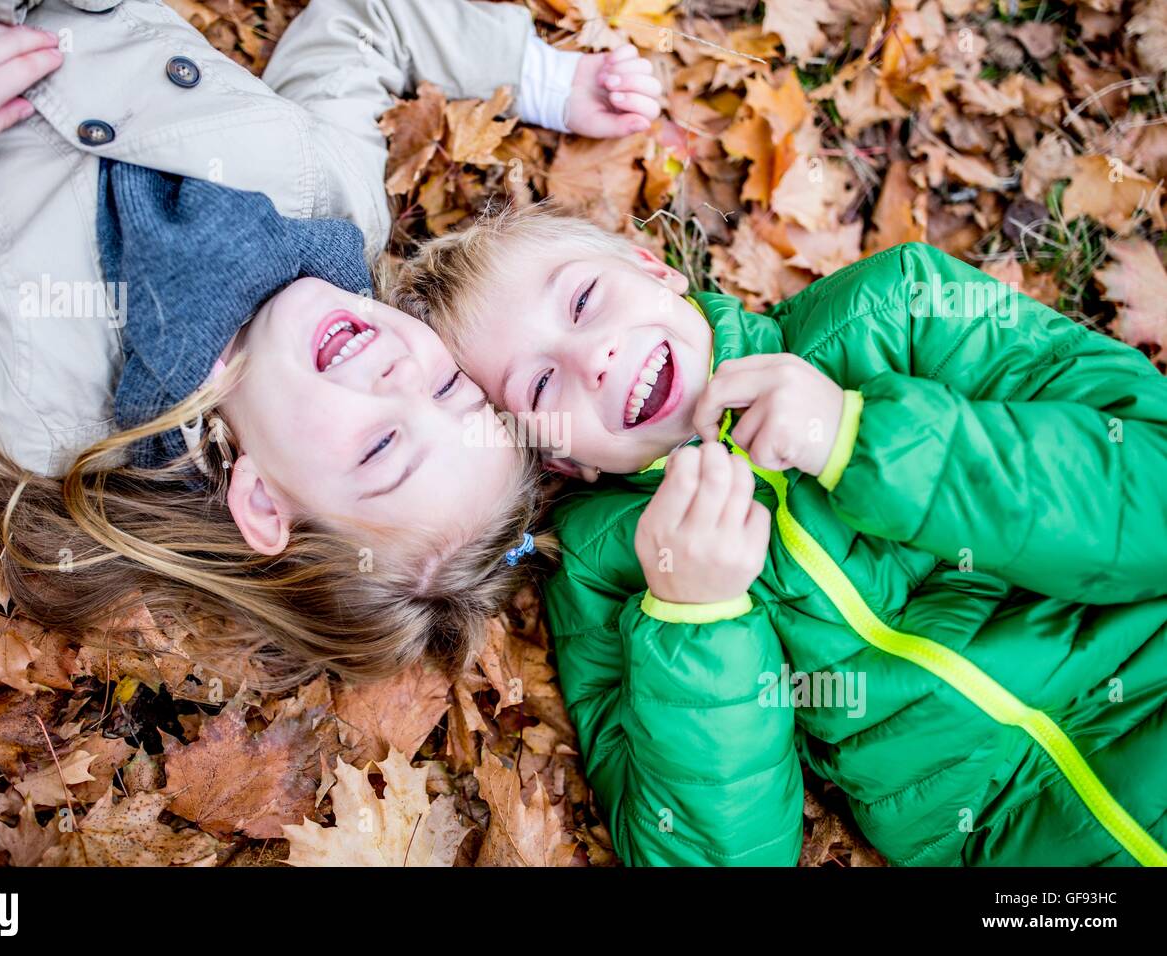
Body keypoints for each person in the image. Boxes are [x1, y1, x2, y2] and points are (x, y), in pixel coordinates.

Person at [0, 1, 659, 685]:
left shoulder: (38, 405)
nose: (399, 371)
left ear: (261, 500)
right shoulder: (334, 201)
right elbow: (362, 25)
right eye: (451, 390)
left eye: (383, 446)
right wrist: (543, 78)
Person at [392, 201, 1167, 865]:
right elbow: (710, 850)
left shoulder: (896, 313)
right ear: (559, 457)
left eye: (586, 300)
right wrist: (697, 621)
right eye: (539, 382)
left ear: (654, 268)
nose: (593, 359)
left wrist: (860, 440)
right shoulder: (606, 572)